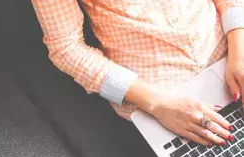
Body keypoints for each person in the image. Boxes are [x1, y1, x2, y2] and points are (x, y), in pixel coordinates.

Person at [31, 0, 244, 147]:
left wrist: (239, 49)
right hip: (166, 103)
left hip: (231, 53)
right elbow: (67, 48)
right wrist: (159, 104)